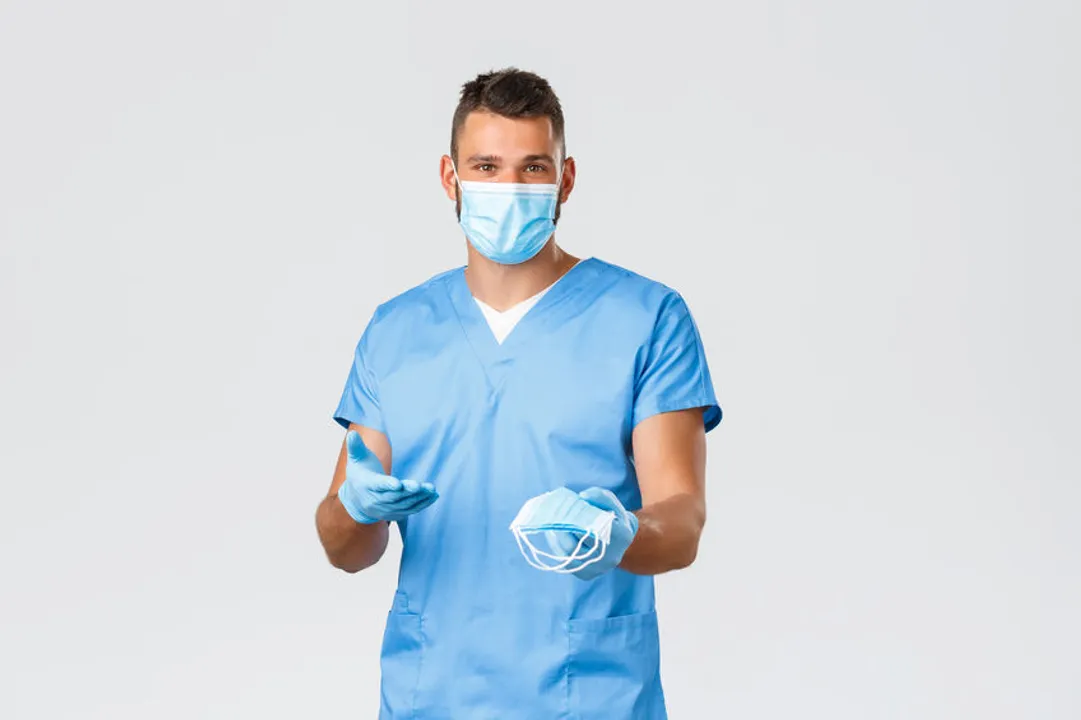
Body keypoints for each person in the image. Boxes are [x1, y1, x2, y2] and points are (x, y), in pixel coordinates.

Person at [314, 67, 722, 719]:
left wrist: (617, 533)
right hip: (432, 695)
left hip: (589, 695)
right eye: (485, 166)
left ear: (565, 179)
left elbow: (681, 523)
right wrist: (354, 508)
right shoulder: (397, 332)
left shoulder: (645, 319)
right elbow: (346, 550)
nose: (509, 188)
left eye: (533, 168)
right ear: (450, 179)